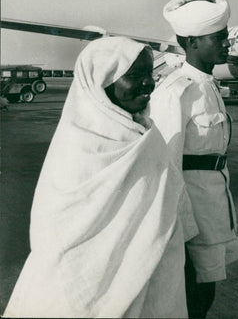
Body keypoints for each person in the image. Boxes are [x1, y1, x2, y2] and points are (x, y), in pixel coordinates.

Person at [4, 37, 193, 318]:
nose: (149, 84)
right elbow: (59, 242)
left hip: (154, 285)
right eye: (135, 75)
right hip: (80, 294)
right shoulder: (76, 146)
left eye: (149, 74)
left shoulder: (150, 137)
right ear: (100, 81)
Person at [149, 0, 238, 318]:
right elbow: (165, 164)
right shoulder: (177, 91)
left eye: (225, 36)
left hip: (212, 206)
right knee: (191, 298)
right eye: (218, 38)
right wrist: (180, 227)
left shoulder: (207, 85)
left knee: (203, 295)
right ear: (191, 43)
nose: (226, 44)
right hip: (190, 216)